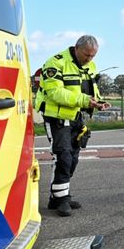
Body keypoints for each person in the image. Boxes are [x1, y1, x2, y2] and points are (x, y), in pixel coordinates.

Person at [34, 35, 110, 216]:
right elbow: (55, 93)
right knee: (63, 157)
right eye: (86, 55)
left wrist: (98, 101)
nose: (89, 59)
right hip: (56, 118)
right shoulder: (55, 63)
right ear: (76, 48)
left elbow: (91, 88)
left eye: (93, 56)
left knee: (73, 158)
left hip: (75, 116)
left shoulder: (90, 66)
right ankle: (61, 200)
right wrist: (84, 100)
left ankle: (59, 195)